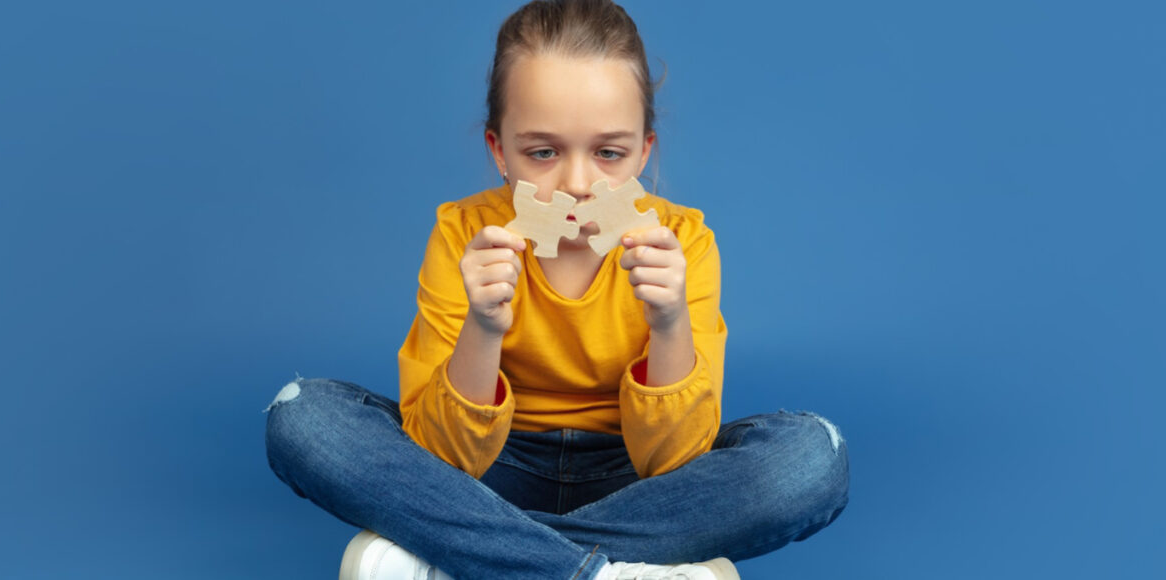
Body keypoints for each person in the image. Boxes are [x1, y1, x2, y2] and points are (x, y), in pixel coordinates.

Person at [264, 1, 849, 578]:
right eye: (542, 153)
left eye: (609, 153)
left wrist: (669, 323)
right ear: (499, 150)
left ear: (645, 149)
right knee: (302, 418)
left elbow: (673, 463)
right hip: (492, 471)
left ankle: (461, 554)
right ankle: (610, 571)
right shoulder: (465, 234)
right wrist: (483, 327)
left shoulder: (681, 241)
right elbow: (444, 458)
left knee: (812, 457)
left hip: (636, 482)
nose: (575, 182)